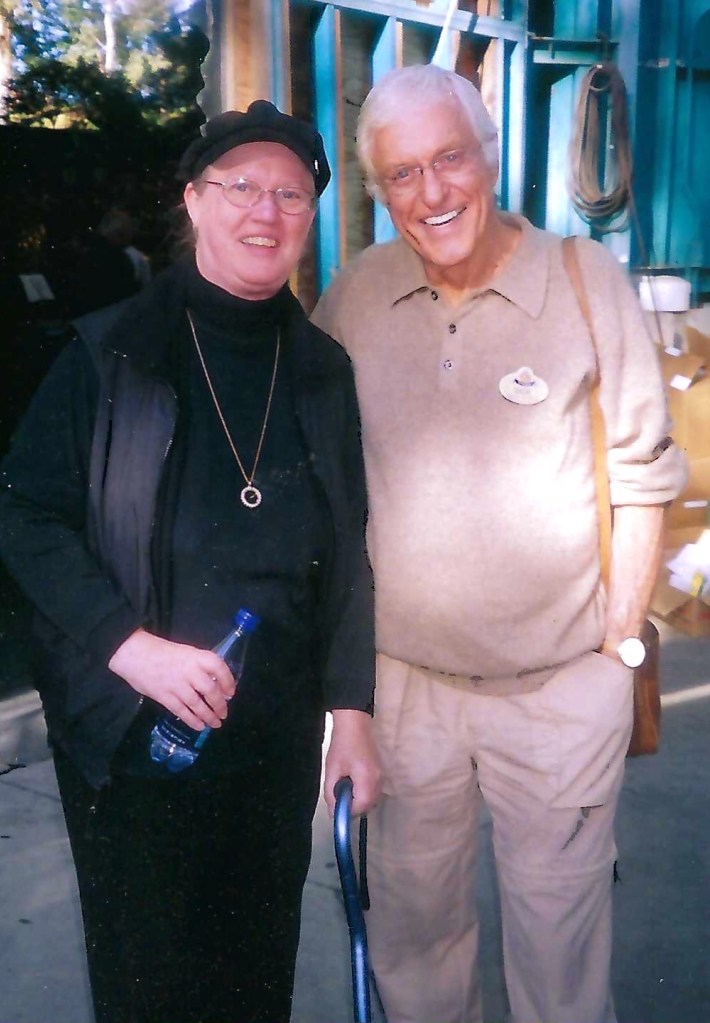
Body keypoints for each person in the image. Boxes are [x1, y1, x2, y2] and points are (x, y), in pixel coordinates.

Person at [0, 99, 381, 1023]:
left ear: (309, 217)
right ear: (194, 201)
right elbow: (23, 514)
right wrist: (132, 649)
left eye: (290, 194)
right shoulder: (110, 351)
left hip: (273, 740)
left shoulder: (323, 368)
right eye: (240, 186)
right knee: (149, 989)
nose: (265, 210)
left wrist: (353, 714)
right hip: (135, 737)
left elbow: (348, 556)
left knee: (255, 981)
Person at [312, 64, 687, 1023]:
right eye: (402, 174)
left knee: (560, 951)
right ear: (379, 191)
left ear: (489, 156)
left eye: (449, 159)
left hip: (560, 691)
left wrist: (617, 652)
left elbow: (645, 473)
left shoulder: (582, 280)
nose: (431, 192)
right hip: (405, 692)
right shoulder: (355, 297)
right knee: (414, 938)